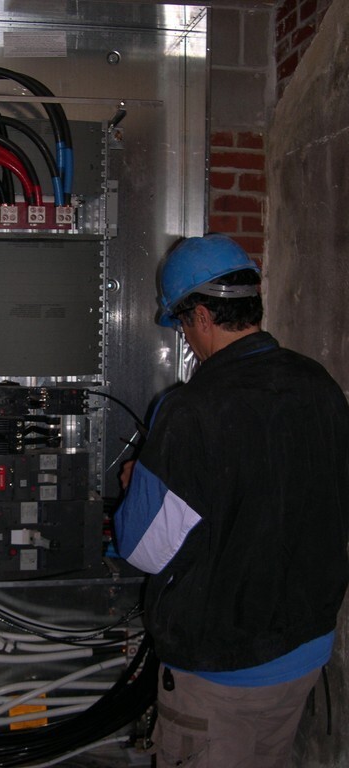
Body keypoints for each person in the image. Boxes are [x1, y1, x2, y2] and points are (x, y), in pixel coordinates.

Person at [114, 233, 349, 767]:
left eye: (181, 323)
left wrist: (138, 484)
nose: (186, 337)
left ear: (201, 315)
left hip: (222, 669)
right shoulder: (319, 383)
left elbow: (145, 549)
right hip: (305, 647)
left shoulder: (190, 409)